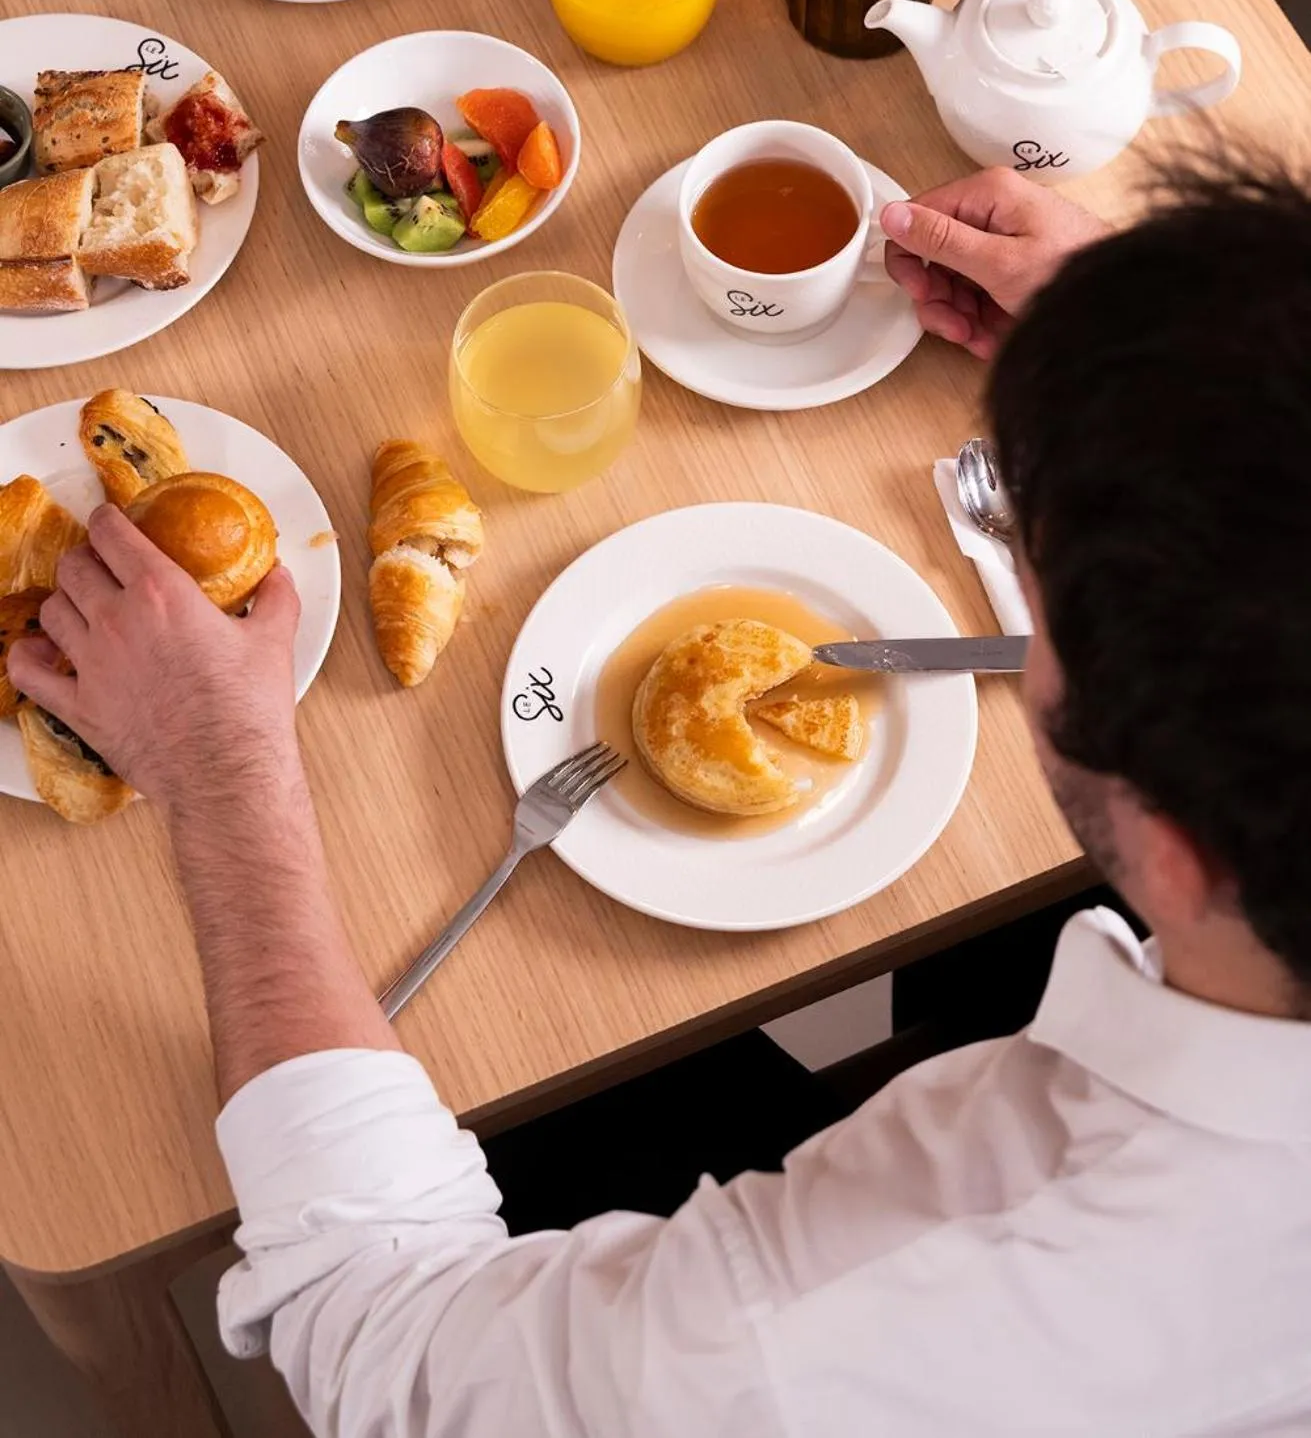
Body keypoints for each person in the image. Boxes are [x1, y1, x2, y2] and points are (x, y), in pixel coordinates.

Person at [11, 157, 1311, 1434]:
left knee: (588, 1104)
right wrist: (1158, 360)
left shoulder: (851, 1328)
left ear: (1181, 851)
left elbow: (384, 1344)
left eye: (1034, 616)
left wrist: (223, 775)